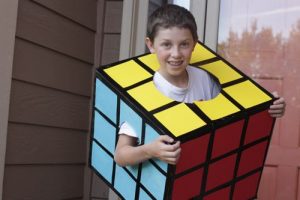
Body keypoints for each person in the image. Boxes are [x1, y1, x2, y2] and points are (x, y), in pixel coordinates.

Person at [114, 4, 285, 167]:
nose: (176, 54)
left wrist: (269, 105)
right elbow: (120, 155)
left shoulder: (205, 79)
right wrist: (149, 150)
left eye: (184, 44)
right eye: (166, 44)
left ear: (195, 43)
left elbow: (238, 111)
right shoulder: (142, 92)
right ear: (151, 45)